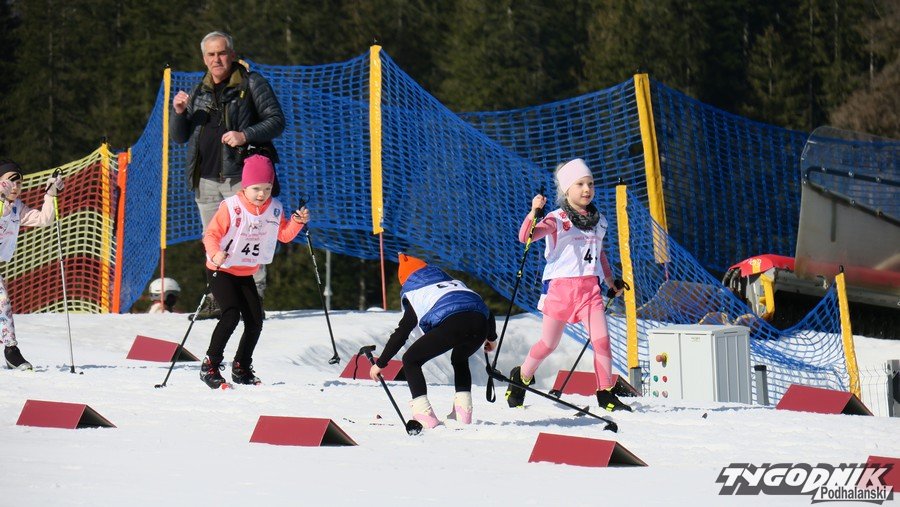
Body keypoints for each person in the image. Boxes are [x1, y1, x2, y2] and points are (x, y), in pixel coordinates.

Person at [170, 30, 285, 317]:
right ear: (204, 58)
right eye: (211, 54)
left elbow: (276, 121)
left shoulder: (252, 82)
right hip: (205, 178)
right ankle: (218, 299)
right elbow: (180, 137)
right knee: (213, 239)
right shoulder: (199, 90)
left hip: (241, 177)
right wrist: (179, 112)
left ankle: (254, 299)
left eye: (222, 53)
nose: (217, 59)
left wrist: (245, 135)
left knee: (251, 235)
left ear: (232, 54)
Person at [504, 158, 631, 412]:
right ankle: (521, 377)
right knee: (549, 344)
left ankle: (605, 393)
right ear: (566, 189)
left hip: (589, 291)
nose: (587, 189)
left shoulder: (599, 221)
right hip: (560, 291)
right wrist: (533, 212)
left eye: (590, 184)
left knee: (602, 341)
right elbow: (525, 237)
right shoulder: (557, 219)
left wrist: (610, 280)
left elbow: (599, 254)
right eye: (580, 184)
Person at [199, 154, 308, 388]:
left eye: (267, 188)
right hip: (222, 268)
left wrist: (297, 222)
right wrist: (215, 253)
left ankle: (241, 367)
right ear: (245, 186)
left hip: (245, 271)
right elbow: (211, 235)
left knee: (255, 321)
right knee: (230, 315)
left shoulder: (274, 208)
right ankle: (210, 364)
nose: (262, 194)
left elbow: (283, 235)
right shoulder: (231, 207)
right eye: (256, 188)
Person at [369, 254, 497, 428]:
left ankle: (424, 415)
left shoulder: (417, 292)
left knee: (411, 360)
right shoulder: (455, 284)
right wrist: (491, 338)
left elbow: (402, 332)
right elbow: (486, 310)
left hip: (453, 325)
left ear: (406, 280)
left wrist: (381, 363)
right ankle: (463, 412)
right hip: (481, 324)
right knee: (460, 358)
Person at [0, 160, 64, 370]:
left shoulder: (16, 207)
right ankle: (11, 349)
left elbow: (44, 219)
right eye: (10, 181)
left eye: (19, 183)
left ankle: (11, 351)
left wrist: (50, 194)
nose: (15, 187)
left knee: (2, 302)